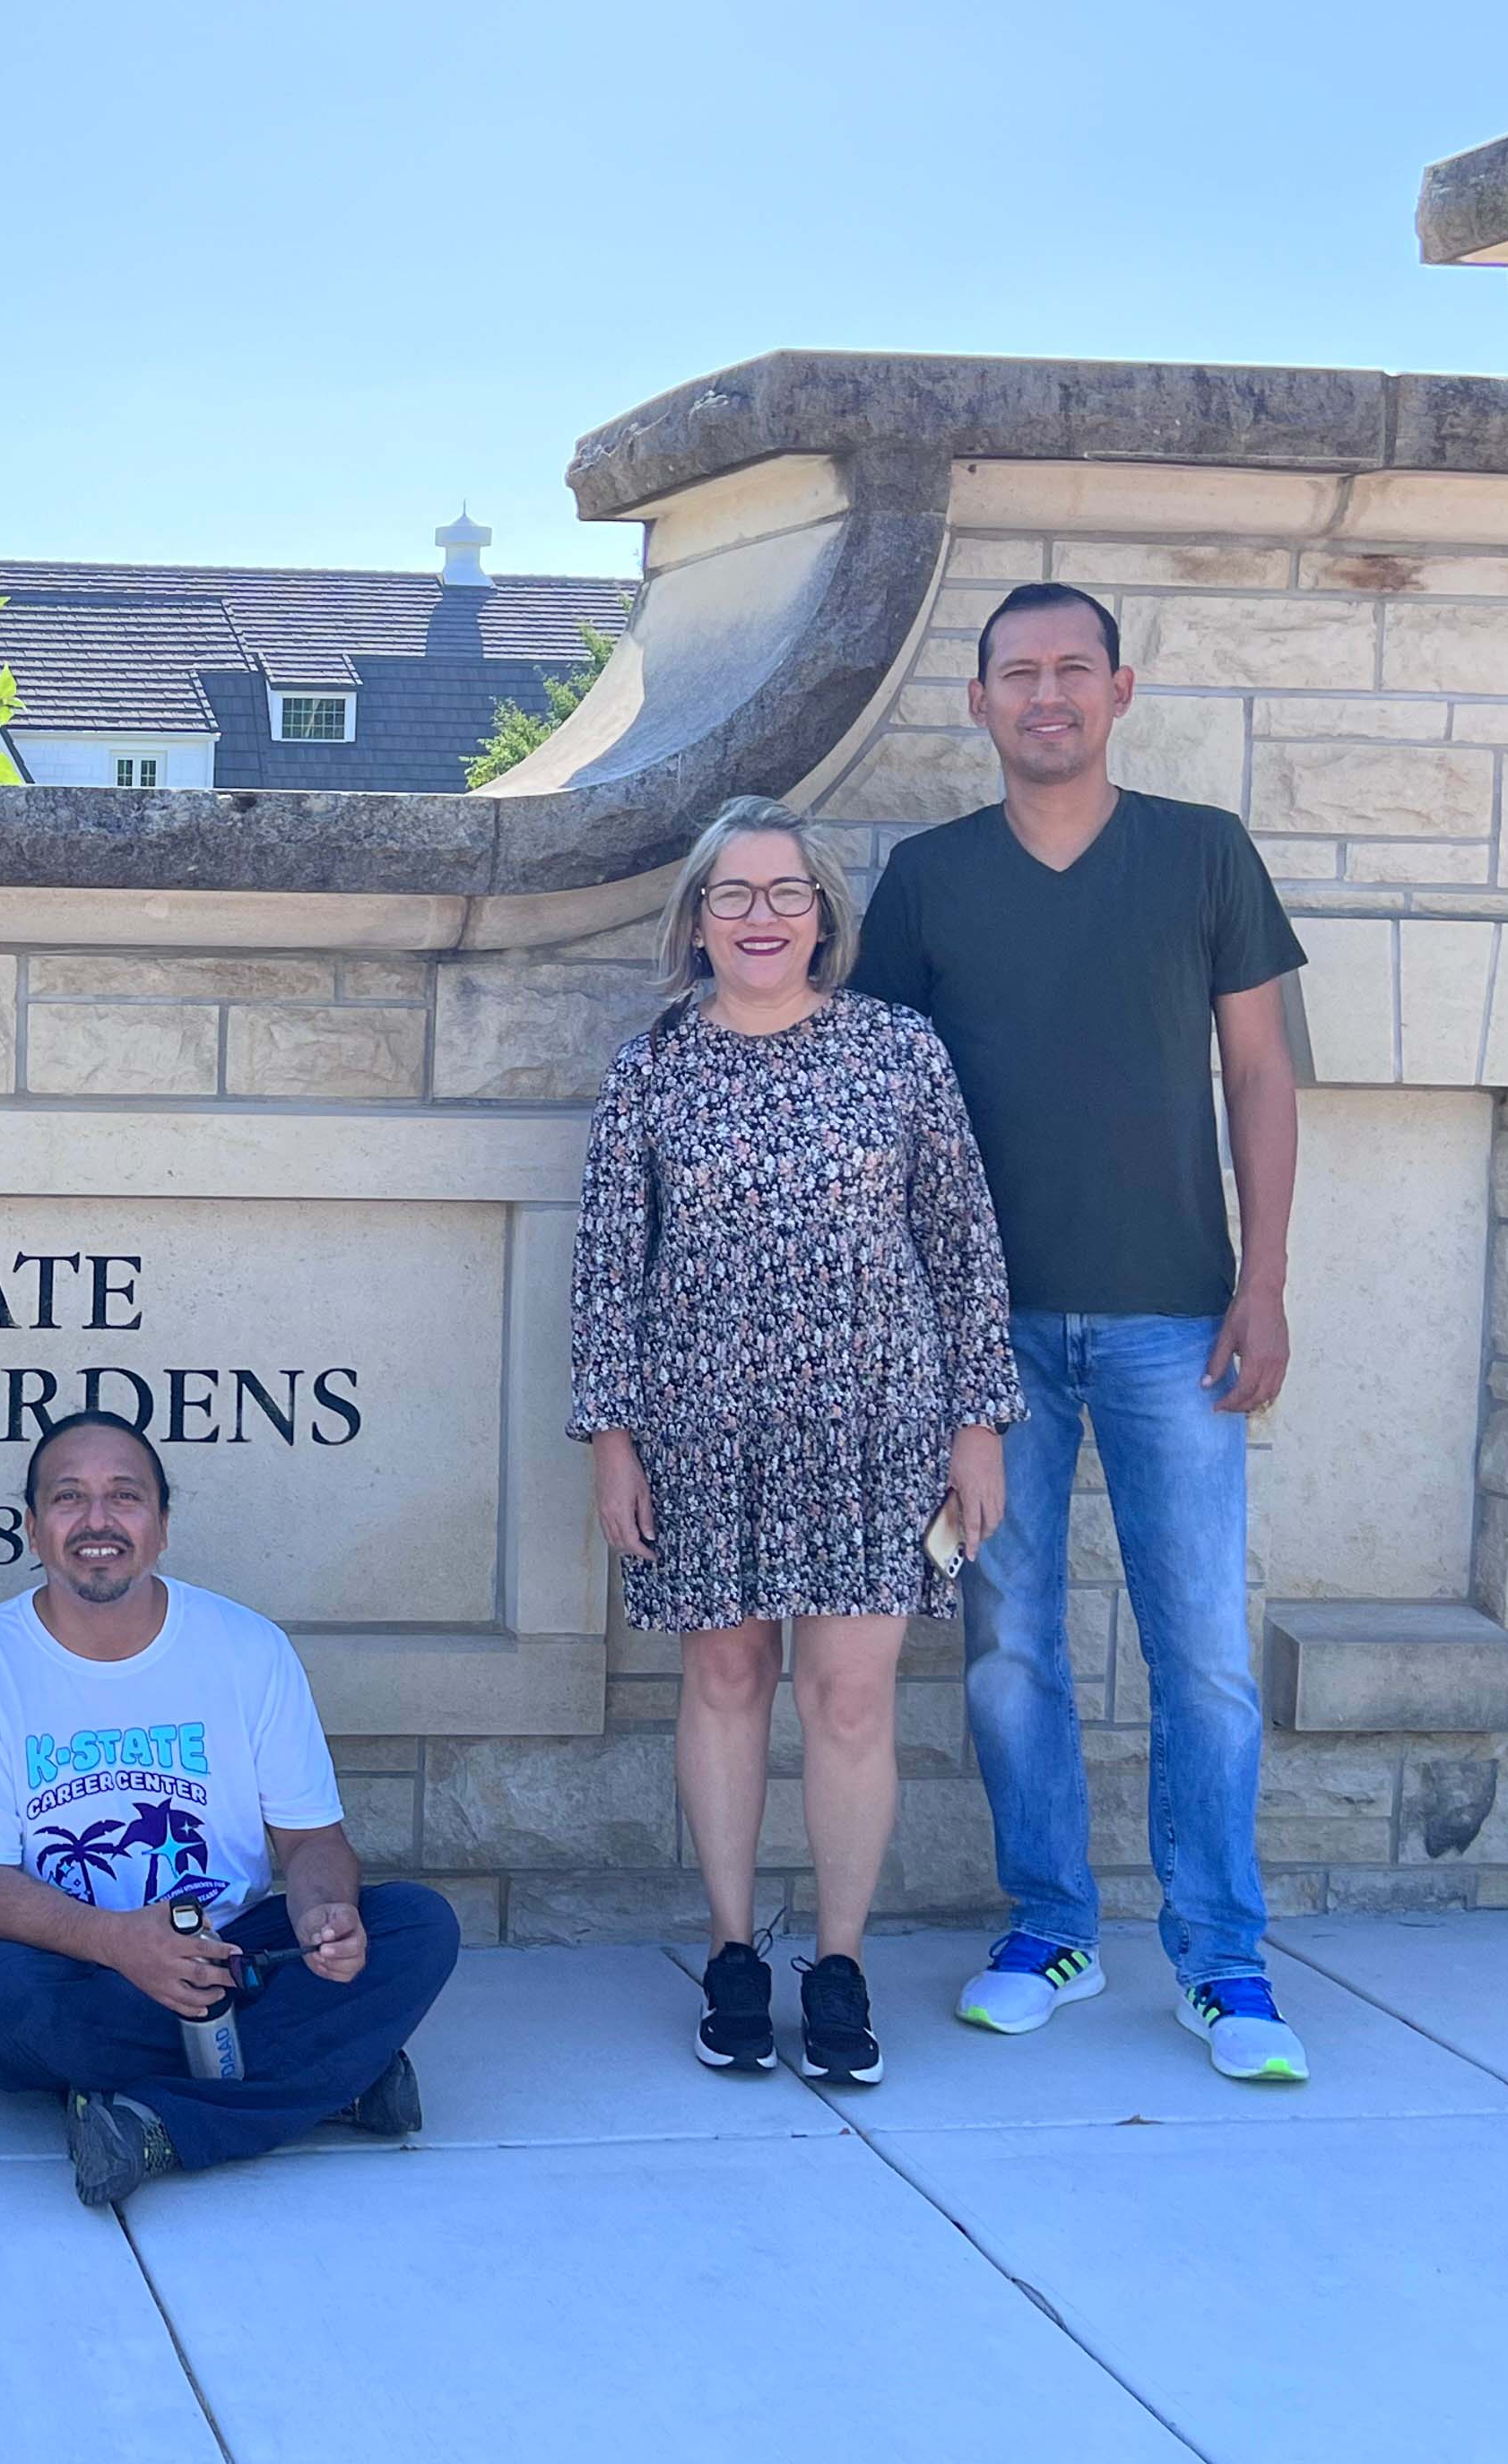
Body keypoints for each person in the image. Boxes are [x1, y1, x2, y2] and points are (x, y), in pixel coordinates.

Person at [849, 579, 1313, 2083]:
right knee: (1007, 1653)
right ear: (976, 701)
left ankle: (1222, 1960)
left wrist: (1264, 1277)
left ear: (1120, 688)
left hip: (1178, 1311)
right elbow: (884, 1116)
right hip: (986, 1344)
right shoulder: (925, 880)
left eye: (1071, 667)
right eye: (1013, 672)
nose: (1043, 693)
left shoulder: (1201, 853)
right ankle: (1048, 1922)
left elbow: (1257, 1074)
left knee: (1203, 1653)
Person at [569, 796, 1024, 2086]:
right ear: (696, 922)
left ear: (824, 916)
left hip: (878, 1424)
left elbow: (963, 1245)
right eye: (734, 895)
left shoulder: (899, 1054)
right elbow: (607, 1264)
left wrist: (977, 1428)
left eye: (786, 894)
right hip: (699, 1426)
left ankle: (838, 1963)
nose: (761, 917)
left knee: (851, 1692)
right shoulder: (652, 1066)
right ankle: (729, 1953)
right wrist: (611, 1437)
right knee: (723, 1682)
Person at [0, 1411, 461, 2208]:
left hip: (228, 1954)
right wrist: (120, 1944)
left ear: (163, 1525)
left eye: (125, 1497)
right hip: (66, 1962)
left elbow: (313, 1842)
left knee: (418, 1926)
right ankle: (326, 2078)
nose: (97, 1521)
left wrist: (327, 1917)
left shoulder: (247, 1648)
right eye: (69, 1498)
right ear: (32, 1529)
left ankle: (157, 2124)